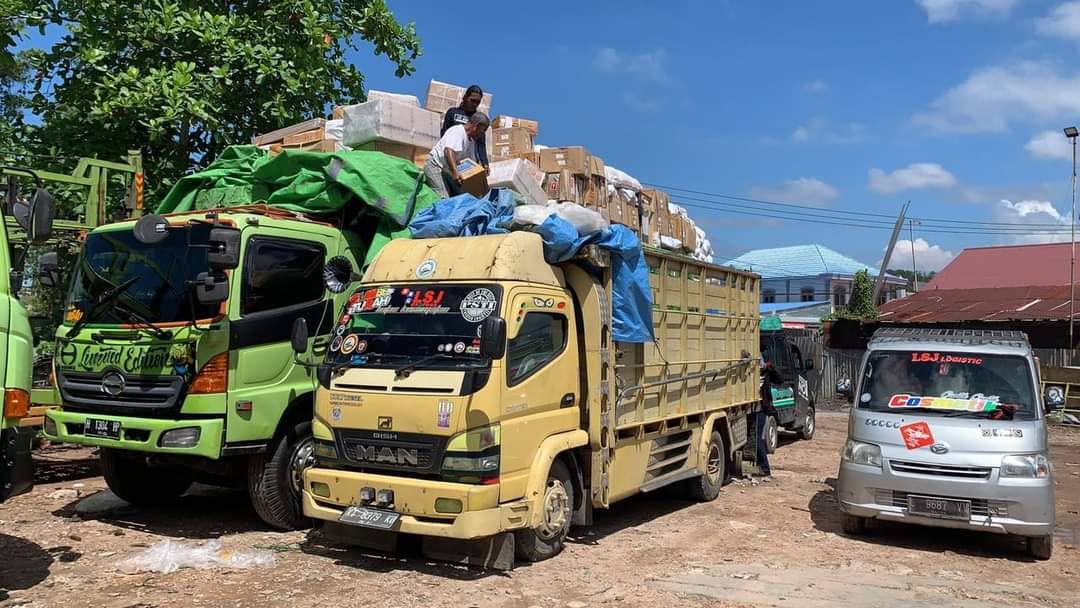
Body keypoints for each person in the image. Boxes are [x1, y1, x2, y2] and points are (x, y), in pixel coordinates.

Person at [424, 112, 490, 199]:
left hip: (448, 172)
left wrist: (481, 172)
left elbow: (470, 163)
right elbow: (448, 151)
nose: (482, 134)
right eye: (483, 130)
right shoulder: (457, 132)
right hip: (435, 166)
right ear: (476, 126)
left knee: (463, 198)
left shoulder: (471, 142)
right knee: (444, 199)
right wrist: (455, 172)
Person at [441, 85, 489, 171]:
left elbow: (481, 144)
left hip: (469, 161)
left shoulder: (479, 119)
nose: (474, 104)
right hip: (451, 155)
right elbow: (444, 134)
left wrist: (485, 163)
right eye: (472, 100)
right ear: (465, 97)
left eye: (477, 102)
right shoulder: (452, 112)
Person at [756, 355, 784, 478]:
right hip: (749, 408)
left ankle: (765, 468)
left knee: (757, 439)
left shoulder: (767, 372)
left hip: (761, 408)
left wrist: (771, 367)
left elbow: (780, 379)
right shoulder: (749, 373)